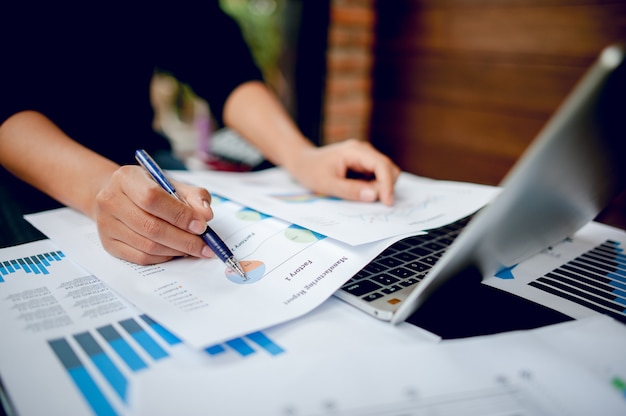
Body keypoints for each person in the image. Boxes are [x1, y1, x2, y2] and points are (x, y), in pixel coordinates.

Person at [0, 1, 400, 265]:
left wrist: (301, 155)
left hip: (140, 154)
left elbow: (221, 63)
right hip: (26, 162)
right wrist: (96, 188)